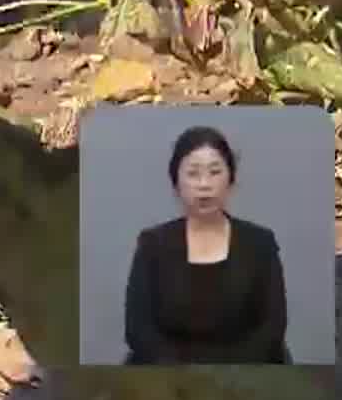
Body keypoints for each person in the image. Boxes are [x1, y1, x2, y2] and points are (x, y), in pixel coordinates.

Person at [121, 125, 291, 364]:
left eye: (214, 172)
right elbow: (138, 330)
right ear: (176, 183)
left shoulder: (260, 243)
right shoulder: (153, 244)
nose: (204, 184)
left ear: (230, 179)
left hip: (246, 376)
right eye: (193, 173)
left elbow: (273, 327)